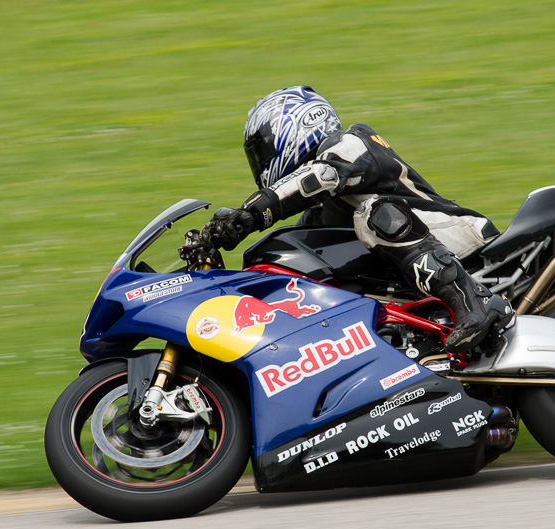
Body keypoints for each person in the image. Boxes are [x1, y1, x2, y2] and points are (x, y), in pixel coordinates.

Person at [201, 85, 514, 354]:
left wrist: (251, 213)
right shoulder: (317, 217)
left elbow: (319, 177)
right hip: (414, 276)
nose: (260, 166)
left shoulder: (352, 143)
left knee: (374, 213)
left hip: (462, 239)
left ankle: (473, 303)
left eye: (261, 152)